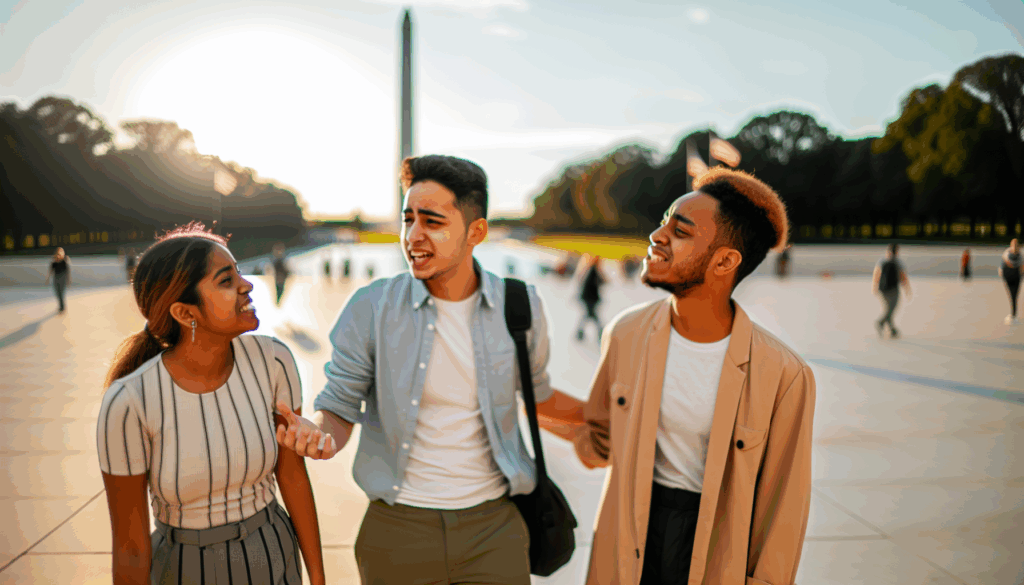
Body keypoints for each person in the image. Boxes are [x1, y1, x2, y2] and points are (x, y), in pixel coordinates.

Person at [274, 155, 585, 584]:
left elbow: (537, 394)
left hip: (495, 528)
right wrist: (320, 435)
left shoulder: (521, 305)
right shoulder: (371, 307)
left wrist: (607, 418)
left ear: (476, 232)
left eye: (432, 222)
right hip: (398, 531)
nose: (413, 236)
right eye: (408, 219)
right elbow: (340, 407)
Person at [572, 167, 816, 585]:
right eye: (664, 221)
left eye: (679, 231)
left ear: (725, 261)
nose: (657, 235)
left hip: (715, 544)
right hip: (629, 537)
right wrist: (521, 395)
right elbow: (598, 441)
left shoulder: (784, 374)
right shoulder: (626, 334)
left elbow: (782, 512)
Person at [96, 223, 327, 585]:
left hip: (274, 554)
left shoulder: (274, 360)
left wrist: (317, 577)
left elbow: (292, 475)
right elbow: (131, 548)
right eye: (225, 280)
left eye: (238, 273)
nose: (247, 284)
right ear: (185, 314)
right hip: (183, 569)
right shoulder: (129, 402)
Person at [873, 243, 912, 339]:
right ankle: (881, 322)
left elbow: (877, 274)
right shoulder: (898, 262)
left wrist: (875, 286)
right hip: (893, 289)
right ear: (897, 251)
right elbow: (903, 277)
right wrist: (907, 288)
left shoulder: (882, 261)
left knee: (888, 309)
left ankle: (892, 330)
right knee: (891, 309)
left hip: (883, 289)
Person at [576, 255, 606, 342]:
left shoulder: (590, 270)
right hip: (590, 299)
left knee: (589, 316)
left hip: (588, 298)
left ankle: (580, 333)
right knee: (592, 316)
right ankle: (600, 333)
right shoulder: (593, 271)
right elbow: (597, 282)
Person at [999, 238, 1023, 324]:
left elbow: (1002, 265)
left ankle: (1013, 314)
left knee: (1011, 295)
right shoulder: (1020, 255)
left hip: (1008, 275)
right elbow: (1022, 268)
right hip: (1016, 276)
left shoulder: (1006, 253)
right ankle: (1014, 314)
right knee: (1015, 296)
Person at [45, 247, 71, 313]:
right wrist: (47, 279)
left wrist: (68, 280)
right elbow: (50, 271)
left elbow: (67, 271)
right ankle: (61, 305)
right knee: (57, 292)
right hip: (56, 278)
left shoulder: (64, 261)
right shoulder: (54, 263)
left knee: (61, 292)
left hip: (62, 278)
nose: (58, 256)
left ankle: (62, 306)